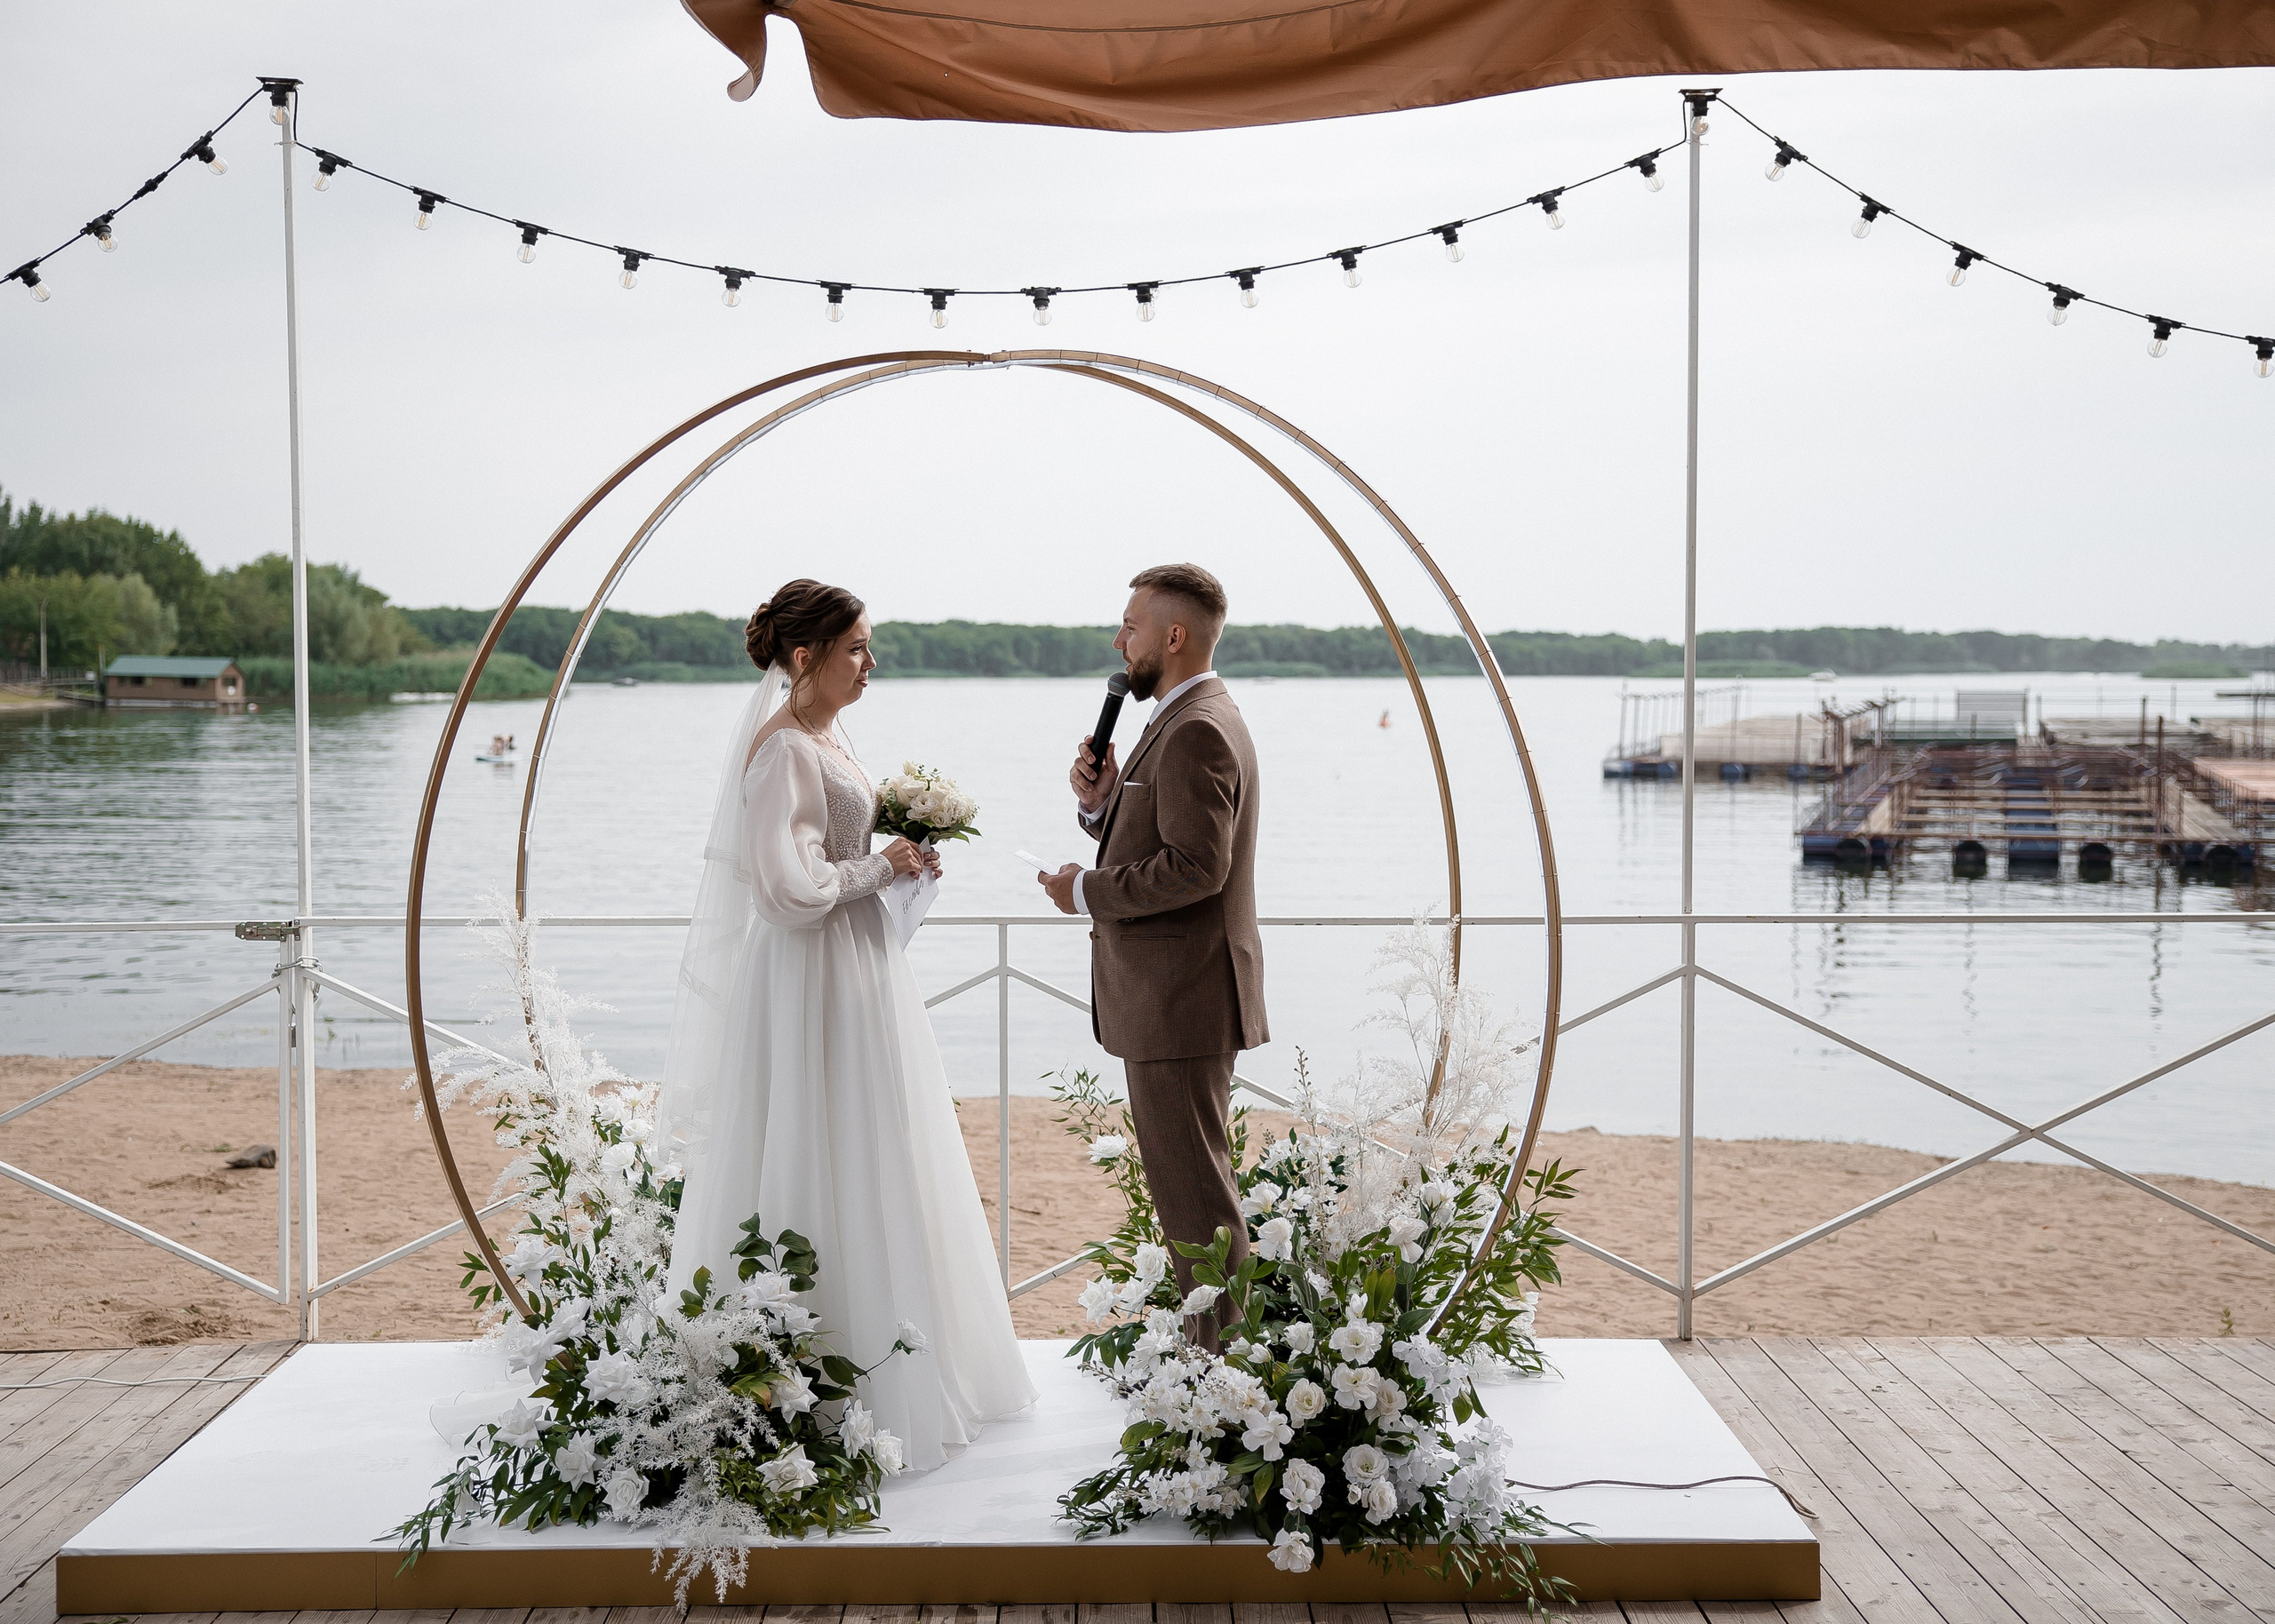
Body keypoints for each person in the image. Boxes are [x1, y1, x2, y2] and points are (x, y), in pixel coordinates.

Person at [659, 578, 1035, 1471]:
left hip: (856, 970)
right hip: (808, 976)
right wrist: (876, 867)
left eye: (869, 646)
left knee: (877, 1144)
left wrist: (902, 866)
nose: (872, 663)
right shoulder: (782, 749)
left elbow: (840, 860)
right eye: (857, 647)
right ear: (804, 657)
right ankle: (811, 1380)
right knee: (813, 1137)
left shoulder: (830, 734)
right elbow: (787, 888)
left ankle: (892, 1352)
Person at [1042, 563, 1267, 1349]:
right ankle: (1219, 1363)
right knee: (1192, 1194)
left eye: (1131, 625)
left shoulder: (1198, 724)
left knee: (1198, 1201)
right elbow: (1160, 836)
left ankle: (1224, 1375)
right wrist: (1099, 807)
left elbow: (1198, 869)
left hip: (1181, 997)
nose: (1120, 639)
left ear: (1173, 636)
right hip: (1177, 996)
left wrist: (1083, 892)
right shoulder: (1182, 716)